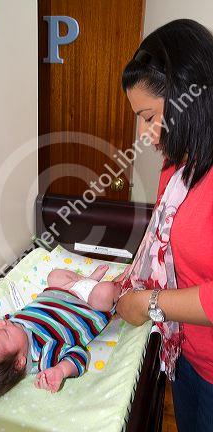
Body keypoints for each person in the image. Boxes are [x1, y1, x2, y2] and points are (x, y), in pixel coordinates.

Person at [115, 19, 213, 432]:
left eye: (148, 116)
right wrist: (130, 280)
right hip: (187, 352)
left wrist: (149, 303)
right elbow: (163, 243)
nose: (143, 134)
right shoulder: (177, 166)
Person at [0, 264, 120, 405]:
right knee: (104, 292)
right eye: (3, 331)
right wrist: (61, 370)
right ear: (20, 362)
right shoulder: (43, 354)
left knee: (54, 276)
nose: (1, 322)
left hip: (60, 293)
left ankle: (87, 281)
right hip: (87, 307)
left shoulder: (10, 327)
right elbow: (79, 355)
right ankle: (119, 287)